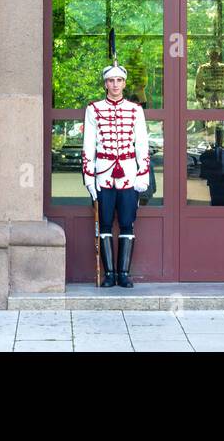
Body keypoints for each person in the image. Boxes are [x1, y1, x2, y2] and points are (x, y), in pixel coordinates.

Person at [83, 62, 150, 288]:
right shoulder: (93, 109)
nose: (115, 85)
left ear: (124, 83)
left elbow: (142, 144)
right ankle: (109, 274)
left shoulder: (135, 110)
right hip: (103, 173)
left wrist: (143, 174)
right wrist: (89, 178)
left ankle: (124, 273)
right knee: (103, 224)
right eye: (111, 81)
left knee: (126, 223)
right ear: (105, 84)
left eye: (119, 81)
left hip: (129, 174)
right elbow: (88, 146)